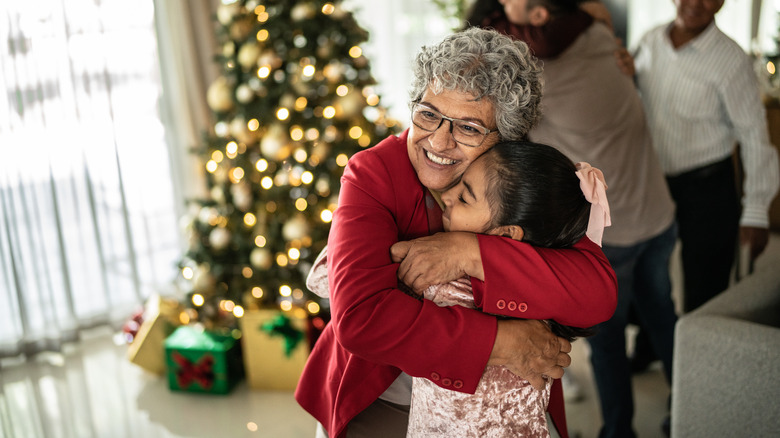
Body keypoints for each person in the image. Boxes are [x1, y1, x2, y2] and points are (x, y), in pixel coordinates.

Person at [294, 27, 618, 438]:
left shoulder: (521, 174)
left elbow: (596, 294)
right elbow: (362, 320)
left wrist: (468, 253)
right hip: (384, 394)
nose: (439, 142)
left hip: (501, 404)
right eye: (428, 114)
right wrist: (501, 342)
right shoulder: (373, 173)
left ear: (507, 138)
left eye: (467, 128)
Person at [466, 1, 680, 437]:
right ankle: (690, 406)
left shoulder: (532, 77)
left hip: (613, 231)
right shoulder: (599, 36)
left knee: (606, 338)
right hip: (658, 211)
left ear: (541, 17)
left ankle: (618, 430)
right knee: (662, 312)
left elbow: (484, 44)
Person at [404, 140, 609, 437]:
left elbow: (600, 295)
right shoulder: (544, 274)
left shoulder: (443, 275)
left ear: (506, 233)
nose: (445, 196)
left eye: (464, 198)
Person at [634, 0, 779, 315]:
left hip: (708, 187)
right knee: (649, 274)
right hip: (656, 183)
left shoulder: (731, 59)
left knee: (705, 285)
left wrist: (756, 211)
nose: (694, 3)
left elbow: (754, 135)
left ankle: (699, 358)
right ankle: (649, 347)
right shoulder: (649, 41)